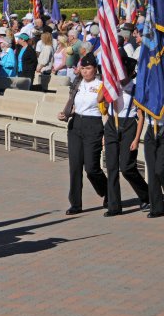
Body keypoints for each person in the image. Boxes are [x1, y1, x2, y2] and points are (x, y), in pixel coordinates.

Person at [58, 53, 107, 215]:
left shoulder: (101, 85)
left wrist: (106, 132)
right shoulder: (77, 83)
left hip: (93, 124)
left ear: (95, 69)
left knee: (92, 167)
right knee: (75, 166)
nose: (85, 71)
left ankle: (107, 191)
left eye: (88, 68)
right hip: (76, 124)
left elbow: (106, 111)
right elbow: (72, 104)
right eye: (83, 68)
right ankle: (75, 203)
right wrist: (66, 113)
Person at [100, 57, 148, 216]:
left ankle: (146, 195)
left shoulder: (135, 89)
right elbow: (99, 100)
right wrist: (107, 83)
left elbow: (140, 117)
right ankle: (114, 206)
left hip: (129, 126)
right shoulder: (113, 87)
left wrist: (136, 139)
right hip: (112, 125)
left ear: (129, 73)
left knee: (127, 167)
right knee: (112, 167)